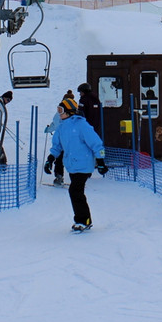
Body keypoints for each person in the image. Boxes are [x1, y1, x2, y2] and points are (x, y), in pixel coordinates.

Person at [44, 96, 107, 232]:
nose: (59, 113)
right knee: (76, 192)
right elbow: (57, 146)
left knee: (75, 191)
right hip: (72, 165)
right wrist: (50, 159)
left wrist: (100, 161)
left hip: (84, 164)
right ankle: (83, 219)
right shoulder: (61, 128)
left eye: (61, 110)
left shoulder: (81, 125)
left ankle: (83, 220)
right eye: (58, 110)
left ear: (69, 111)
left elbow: (95, 143)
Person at [43, 101, 67, 186]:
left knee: (62, 159)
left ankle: (60, 176)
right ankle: (59, 176)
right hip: (62, 141)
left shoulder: (72, 117)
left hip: (68, 142)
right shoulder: (60, 115)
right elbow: (55, 124)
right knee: (60, 159)